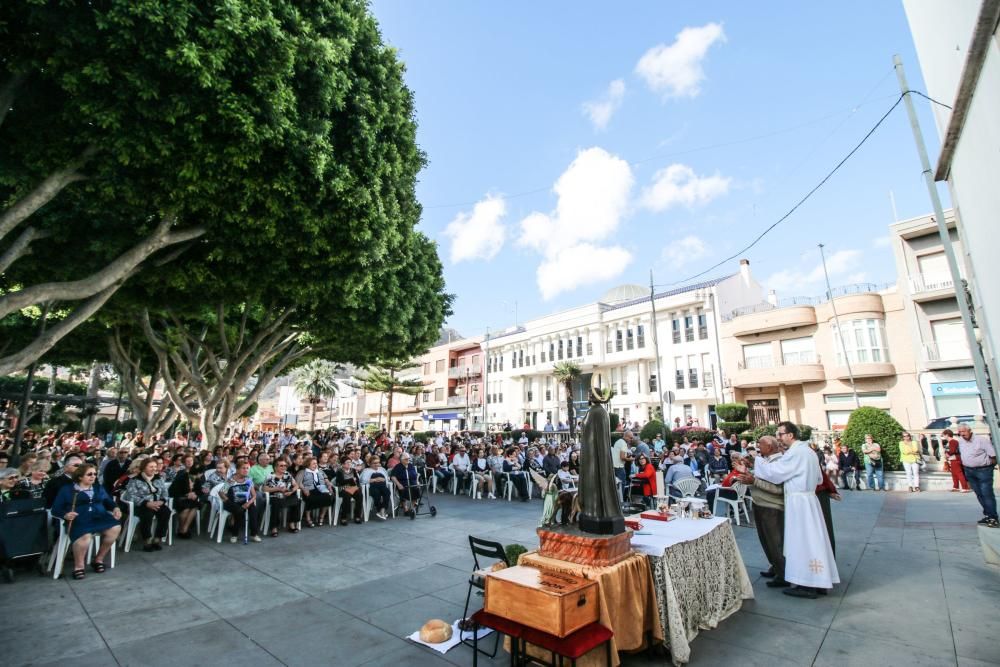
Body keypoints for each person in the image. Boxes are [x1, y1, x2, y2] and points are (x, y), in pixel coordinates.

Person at [752, 422, 839, 599]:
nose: (779, 437)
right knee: (812, 541)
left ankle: (807, 584)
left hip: (799, 502)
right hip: (808, 500)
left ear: (790, 435)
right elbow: (817, 478)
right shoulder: (808, 452)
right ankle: (818, 582)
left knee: (801, 542)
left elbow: (774, 473)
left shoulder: (796, 453)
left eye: (781, 434)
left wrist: (756, 459)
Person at [51, 463, 122, 579]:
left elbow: (108, 501)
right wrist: (65, 514)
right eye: (89, 474)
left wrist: (115, 508)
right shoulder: (68, 490)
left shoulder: (98, 488)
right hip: (79, 518)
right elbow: (56, 509)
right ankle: (79, 566)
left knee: (115, 527)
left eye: (95, 474)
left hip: (99, 517)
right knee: (85, 536)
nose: (93, 476)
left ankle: (98, 559)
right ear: (80, 477)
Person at [738, 436, 787, 588]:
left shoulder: (779, 463)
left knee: (775, 541)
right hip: (759, 504)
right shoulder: (765, 461)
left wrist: (753, 481)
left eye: (761, 444)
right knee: (766, 540)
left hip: (772, 507)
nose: (758, 447)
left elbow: (779, 489)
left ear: (770, 447)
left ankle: (783, 573)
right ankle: (775, 565)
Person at [956, 423, 997, 527]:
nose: (962, 434)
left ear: (969, 431)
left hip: (983, 470)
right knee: (979, 494)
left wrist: (989, 467)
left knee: (987, 493)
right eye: (960, 432)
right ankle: (988, 515)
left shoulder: (981, 440)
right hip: (969, 470)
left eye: (964, 431)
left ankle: (993, 517)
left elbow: (993, 455)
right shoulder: (961, 442)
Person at [218, 461, 261, 543]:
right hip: (232, 502)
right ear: (237, 470)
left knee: (254, 510)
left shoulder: (248, 480)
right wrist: (228, 501)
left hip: (245, 502)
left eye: (247, 468)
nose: (246, 470)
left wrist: (248, 503)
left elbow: (254, 495)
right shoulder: (231, 480)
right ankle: (234, 534)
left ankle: (254, 534)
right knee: (239, 510)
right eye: (243, 468)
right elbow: (221, 493)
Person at [262, 460, 302, 535]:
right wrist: (278, 489)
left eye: (285, 466)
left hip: (287, 495)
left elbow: (296, 485)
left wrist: (291, 491)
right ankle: (274, 527)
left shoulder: (287, 474)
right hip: (275, 496)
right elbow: (265, 489)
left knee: (297, 500)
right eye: (281, 465)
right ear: (275, 467)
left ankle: (291, 524)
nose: (284, 467)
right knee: (276, 503)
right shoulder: (270, 476)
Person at [168, 455, 201, 539]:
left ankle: (183, 529)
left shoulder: (195, 473)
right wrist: (187, 494)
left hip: (192, 497)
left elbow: (198, 488)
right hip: (180, 497)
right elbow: (174, 489)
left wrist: (195, 494)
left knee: (194, 505)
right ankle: (183, 529)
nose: (190, 462)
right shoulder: (181, 474)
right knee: (186, 508)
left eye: (191, 461)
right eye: (187, 461)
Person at [297, 456, 335, 526]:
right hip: (309, 489)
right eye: (313, 464)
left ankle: (321, 516)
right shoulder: (303, 472)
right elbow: (299, 482)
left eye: (316, 463)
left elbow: (326, 480)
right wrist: (304, 489)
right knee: (310, 498)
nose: (316, 465)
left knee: (328, 496)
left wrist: (329, 486)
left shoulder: (320, 471)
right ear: (308, 464)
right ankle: (308, 518)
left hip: (322, 489)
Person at [360, 455, 391, 520]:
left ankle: (382, 509)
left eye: (378, 463)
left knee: (387, 492)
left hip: (382, 486)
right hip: (372, 487)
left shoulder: (382, 469)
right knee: (376, 493)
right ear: (370, 464)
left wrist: (383, 479)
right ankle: (381, 510)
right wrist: (375, 479)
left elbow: (387, 478)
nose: (377, 464)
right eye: (374, 463)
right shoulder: (366, 470)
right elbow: (362, 480)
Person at [335, 458, 363, 525]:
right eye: (347, 462)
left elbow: (357, 481)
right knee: (346, 495)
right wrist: (351, 480)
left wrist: (354, 483)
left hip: (352, 488)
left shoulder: (353, 470)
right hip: (343, 489)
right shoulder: (339, 471)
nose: (349, 464)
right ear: (343, 464)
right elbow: (340, 482)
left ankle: (357, 515)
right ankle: (344, 517)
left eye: (350, 462)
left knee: (360, 495)